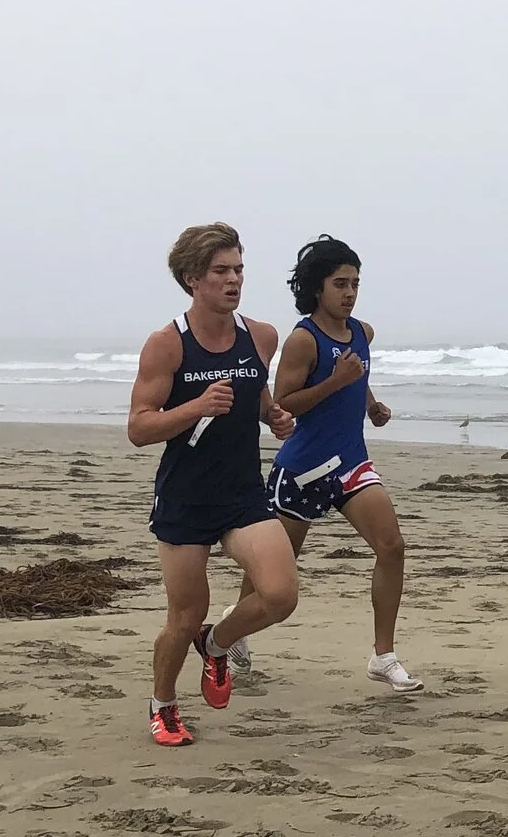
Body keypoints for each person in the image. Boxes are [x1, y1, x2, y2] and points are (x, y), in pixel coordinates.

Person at [125, 222, 300, 748]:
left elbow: (257, 396)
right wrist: (196, 407)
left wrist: (274, 416)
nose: (234, 280)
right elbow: (138, 427)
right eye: (221, 271)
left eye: (239, 269)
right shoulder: (167, 344)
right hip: (186, 498)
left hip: (243, 493)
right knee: (184, 616)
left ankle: (218, 644)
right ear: (192, 279)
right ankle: (163, 705)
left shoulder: (261, 336)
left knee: (281, 595)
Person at [229, 234, 422, 692]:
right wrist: (337, 382)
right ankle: (233, 632)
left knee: (392, 547)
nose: (350, 293)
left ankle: (383, 656)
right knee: (271, 575)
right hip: (303, 471)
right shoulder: (303, 340)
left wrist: (371, 404)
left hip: (351, 463)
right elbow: (283, 404)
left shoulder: (362, 332)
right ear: (318, 288)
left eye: (355, 283)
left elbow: (358, 374)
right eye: (340, 284)